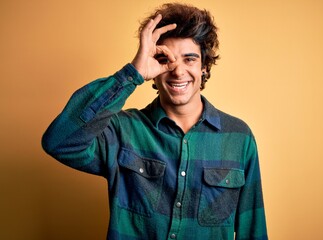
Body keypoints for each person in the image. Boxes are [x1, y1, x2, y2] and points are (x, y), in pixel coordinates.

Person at [42, 3, 268, 240]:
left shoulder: (239, 137)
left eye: (189, 59)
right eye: (164, 59)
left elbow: (253, 231)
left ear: (204, 67)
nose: (178, 71)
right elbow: (59, 141)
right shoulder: (124, 130)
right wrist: (133, 73)